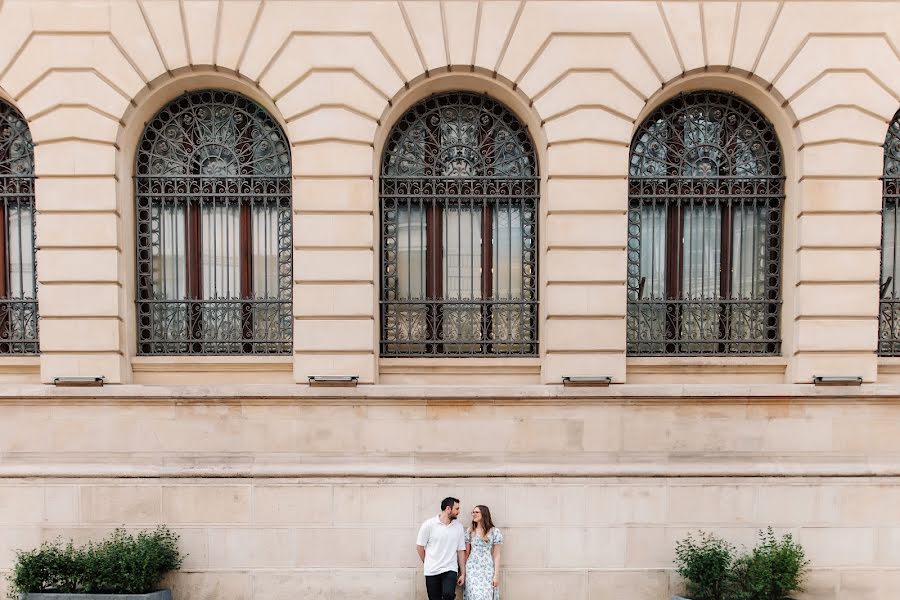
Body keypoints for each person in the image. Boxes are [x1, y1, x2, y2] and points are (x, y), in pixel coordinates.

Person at [416, 497, 467, 600]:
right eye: (457, 509)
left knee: (449, 595)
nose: (459, 512)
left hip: (450, 569)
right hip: (431, 570)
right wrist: (427, 562)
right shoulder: (428, 525)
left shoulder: (458, 527)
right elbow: (420, 546)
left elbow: (461, 551)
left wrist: (463, 573)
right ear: (448, 509)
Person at [464, 505, 503, 600]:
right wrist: (462, 573)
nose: (474, 514)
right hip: (472, 569)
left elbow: (496, 555)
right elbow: (466, 554)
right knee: (475, 596)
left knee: (486, 596)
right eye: (473, 512)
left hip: (487, 569)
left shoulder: (494, 531)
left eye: (476, 512)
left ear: (484, 514)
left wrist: (496, 575)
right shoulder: (470, 531)